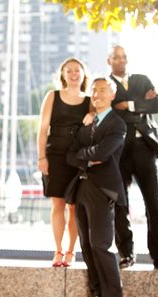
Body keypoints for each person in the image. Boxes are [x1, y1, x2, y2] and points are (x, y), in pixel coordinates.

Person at [108, 45, 158, 272]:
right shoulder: (105, 85)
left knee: (153, 203)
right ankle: (126, 254)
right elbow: (109, 109)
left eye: (124, 57)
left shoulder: (141, 79)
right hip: (119, 150)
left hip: (145, 148)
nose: (121, 60)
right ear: (109, 60)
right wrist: (140, 106)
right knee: (120, 203)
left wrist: (128, 105)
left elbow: (156, 105)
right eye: (116, 57)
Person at [67, 77, 127, 297]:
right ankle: (97, 294)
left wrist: (86, 154)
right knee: (87, 245)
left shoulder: (117, 124)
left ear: (112, 95)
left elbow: (103, 152)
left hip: (103, 189)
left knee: (101, 244)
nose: (97, 94)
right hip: (82, 186)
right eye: (94, 90)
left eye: (103, 90)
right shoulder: (88, 123)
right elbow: (70, 155)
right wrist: (87, 155)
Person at [37, 58, 92, 267]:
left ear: (83, 74)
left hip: (78, 156)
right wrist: (41, 157)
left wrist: (92, 115)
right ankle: (58, 250)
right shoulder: (53, 96)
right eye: (69, 71)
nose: (73, 74)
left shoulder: (89, 101)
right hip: (55, 155)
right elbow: (42, 130)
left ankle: (71, 251)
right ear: (63, 75)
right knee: (57, 203)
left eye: (77, 70)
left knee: (75, 206)